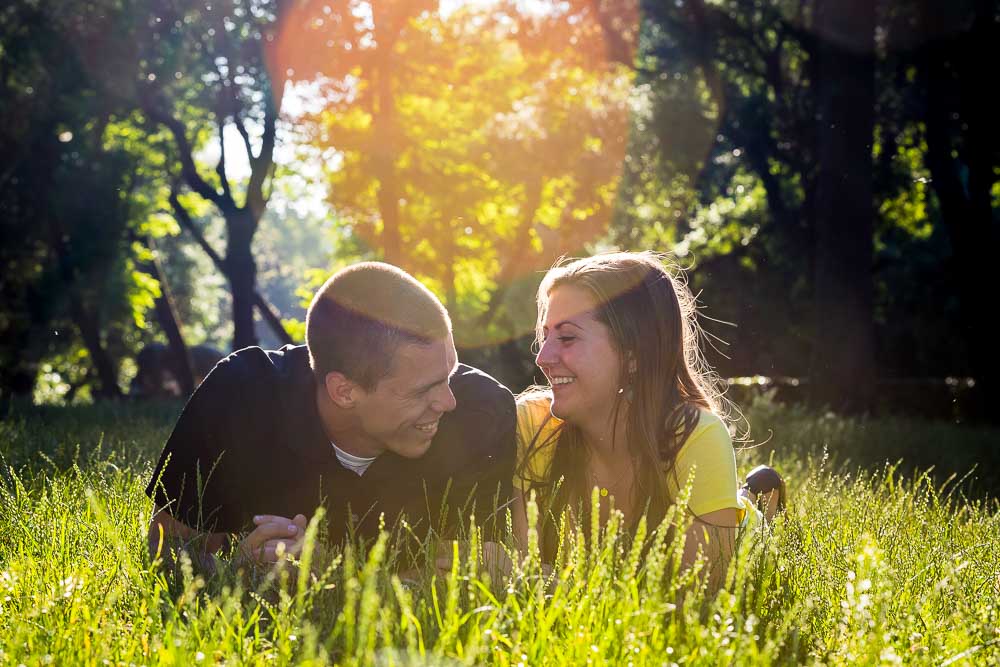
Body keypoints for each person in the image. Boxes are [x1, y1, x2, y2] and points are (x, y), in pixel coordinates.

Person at [146, 262, 516, 573]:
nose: (448, 401)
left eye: (448, 374)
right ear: (344, 391)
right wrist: (237, 569)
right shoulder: (240, 396)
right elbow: (169, 547)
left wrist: (335, 576)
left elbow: (478, 575)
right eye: (423, 390)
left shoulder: (480, 412)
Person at [512, 252, 784, 582]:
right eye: (546, 335)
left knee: (752, 521)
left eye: (567, 337)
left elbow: (696, 596)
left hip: (743, 544)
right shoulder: (534, 424)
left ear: (633, 356)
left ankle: (757, 498)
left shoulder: (697, 436)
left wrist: (549, 583)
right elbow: (521, 572)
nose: (542, 357)